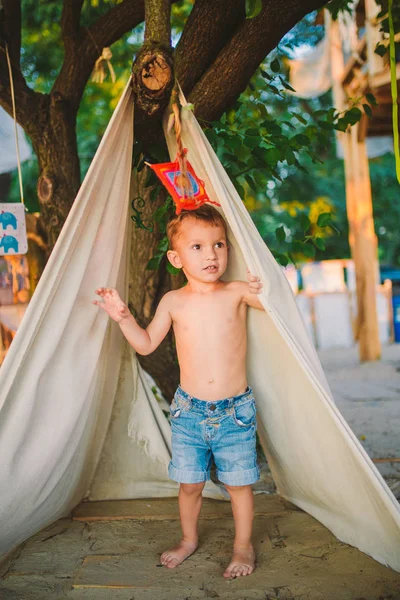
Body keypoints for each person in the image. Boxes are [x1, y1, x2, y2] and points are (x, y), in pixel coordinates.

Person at [93, 204, 264, 578]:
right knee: (190, 484)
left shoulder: (236, 293)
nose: (212, 255)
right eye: (198, 247)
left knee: (239, 485)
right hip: (189, 413)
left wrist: (264, 282)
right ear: (176, 257)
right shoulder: (174, 302)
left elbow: (273, 302)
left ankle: (242, 546)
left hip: (235, 411)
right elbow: (146, 344)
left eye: (219, 244)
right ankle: (188, 539)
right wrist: (123, 317)